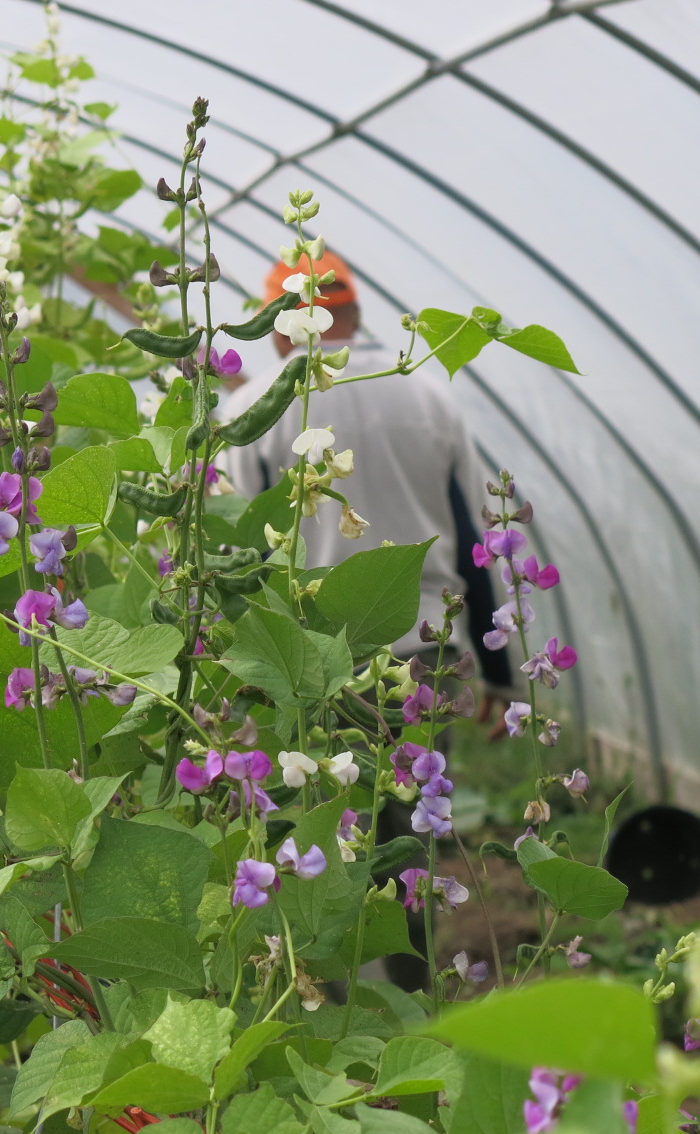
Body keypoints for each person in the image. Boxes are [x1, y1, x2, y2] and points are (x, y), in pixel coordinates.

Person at [220, 251, 513, 989]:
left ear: (282, 329)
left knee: (321, 823)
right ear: (353, 311)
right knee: (409, 825)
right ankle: (414, 982)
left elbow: (244, 553)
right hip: (424, 649)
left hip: (314, 655)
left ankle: (330, 987)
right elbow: (472, 536)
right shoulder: (426, 396)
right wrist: (502, 676)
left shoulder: (253, 409)